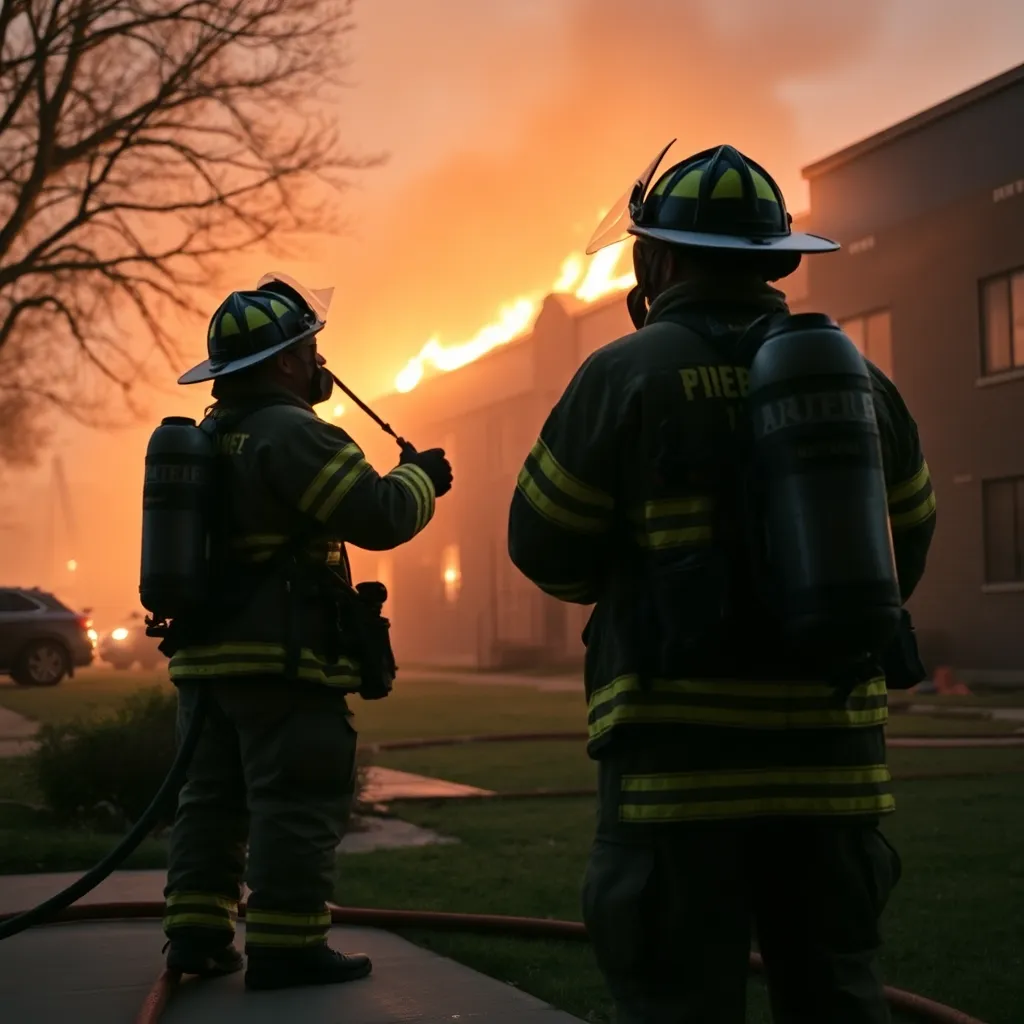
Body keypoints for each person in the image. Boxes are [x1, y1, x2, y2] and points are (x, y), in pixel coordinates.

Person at [507, 143, 936, 1024]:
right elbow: (911, 546)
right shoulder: (859, 379)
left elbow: (542, 545)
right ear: (778, 258)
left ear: (654, 260)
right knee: (837, 998)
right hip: (833, 776)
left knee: (677, 1002)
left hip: (677, 778)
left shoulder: (625, 374)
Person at [161, 275, 453, 991]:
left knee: (209, 803)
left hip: (207, 668)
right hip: (282, 665)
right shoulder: (292, 433)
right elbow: (377, 515)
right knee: (296, 798)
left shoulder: (212, 436)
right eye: (309, 348)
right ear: (286, 362)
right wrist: (421, 479)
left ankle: (196, 936)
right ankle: (289, 946)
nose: (319, 360)